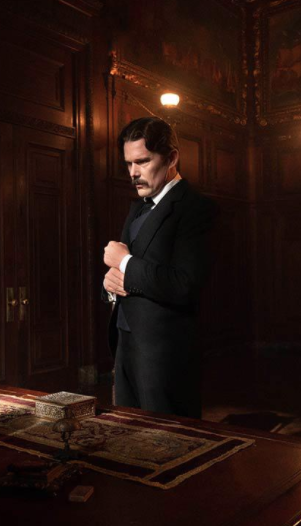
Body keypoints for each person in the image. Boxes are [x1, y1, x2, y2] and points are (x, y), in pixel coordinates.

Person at [102, 117, 216, 419]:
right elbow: (128, 275)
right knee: (129, 439)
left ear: (172, 158)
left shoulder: (195, 208)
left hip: (166, 355)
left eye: (142, 161)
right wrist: (111, 285)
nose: (133, 173)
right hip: (126, 345)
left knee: (170, 446)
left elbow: (185, 284)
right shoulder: (138, 206)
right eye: (128, 164)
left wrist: (124, 262)